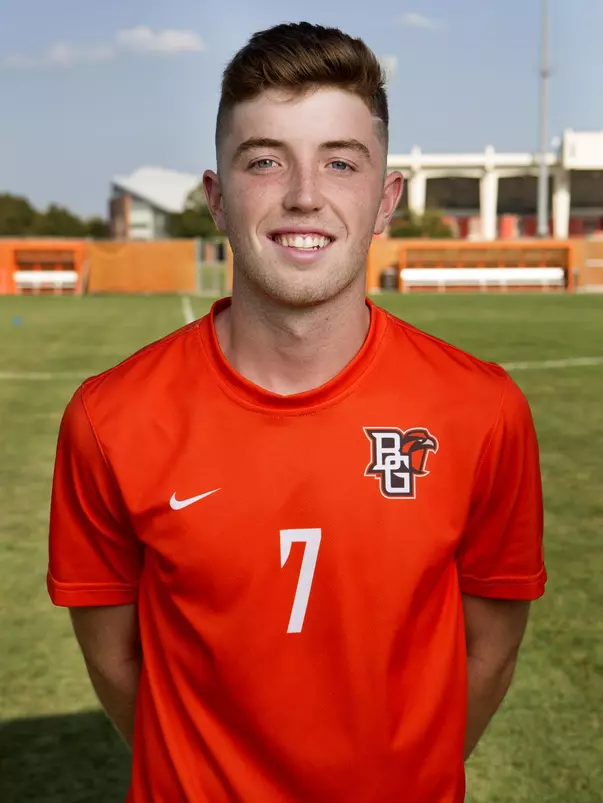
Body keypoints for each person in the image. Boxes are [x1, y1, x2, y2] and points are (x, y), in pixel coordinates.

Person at [47, 21, 547, 803]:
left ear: (385, 201)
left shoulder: (481, 410)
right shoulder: (110, 418)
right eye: (265, 160)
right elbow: (116, 664)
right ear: (217, 198)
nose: (304, 194)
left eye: (340, 161)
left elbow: (489, 651)